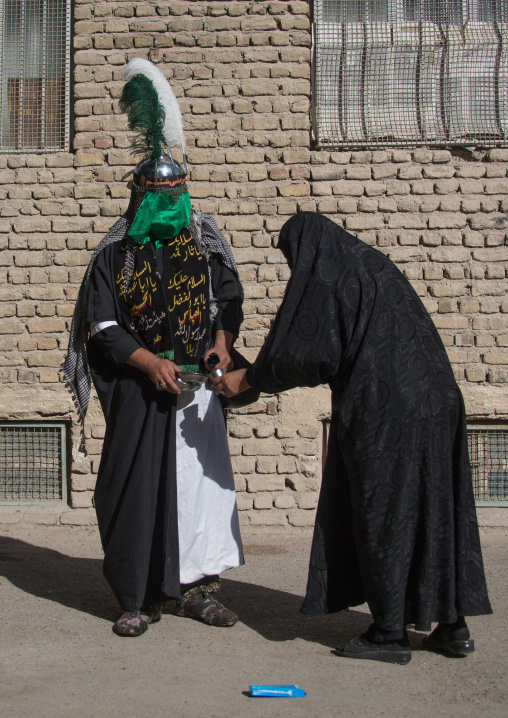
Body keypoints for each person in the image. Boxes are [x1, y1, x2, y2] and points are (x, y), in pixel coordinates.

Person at [213, 211, 492, 664]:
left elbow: (307, 351)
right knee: (436, 507)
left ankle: (388, 634)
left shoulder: (330, 274)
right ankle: (452, 626)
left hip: (389, 408)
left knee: (383, 511)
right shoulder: (371, 265)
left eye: (292, 257)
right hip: (438, 400)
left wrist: (249, 379)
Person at [64, 59, 244, 637]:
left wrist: (220, 345)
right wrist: (148, 362)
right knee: (132, 493)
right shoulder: (114, 254)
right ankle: (137, 598)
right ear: (141, 193)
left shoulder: (206, 241)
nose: (169, 198)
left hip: (198, 393)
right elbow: (101, 326)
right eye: (159, 191)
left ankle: (199, 590)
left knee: (201, 493)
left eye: (177, 189)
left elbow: (229, 302)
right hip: (141, 394)